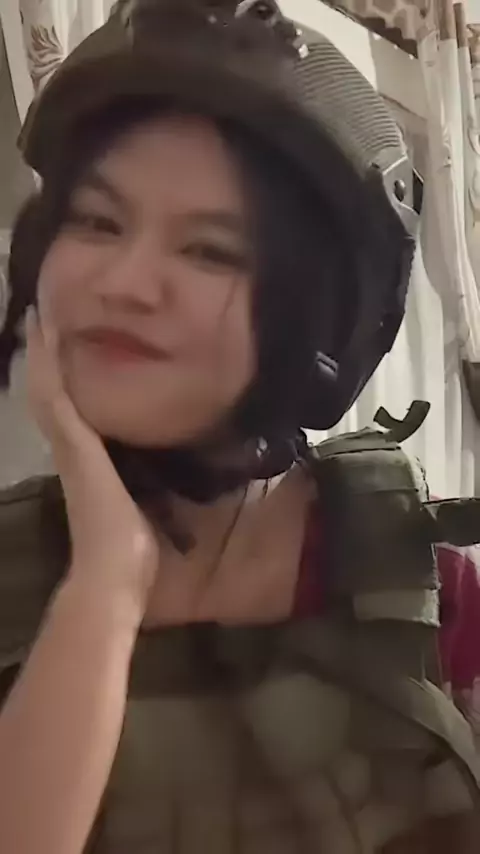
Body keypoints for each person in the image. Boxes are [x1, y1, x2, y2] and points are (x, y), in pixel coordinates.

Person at [0, 1, 478, 852]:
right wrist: (106, 582)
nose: (125, 282)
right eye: (98, 222)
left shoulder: (437, 596)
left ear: (319, 321)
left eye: (211, 251)